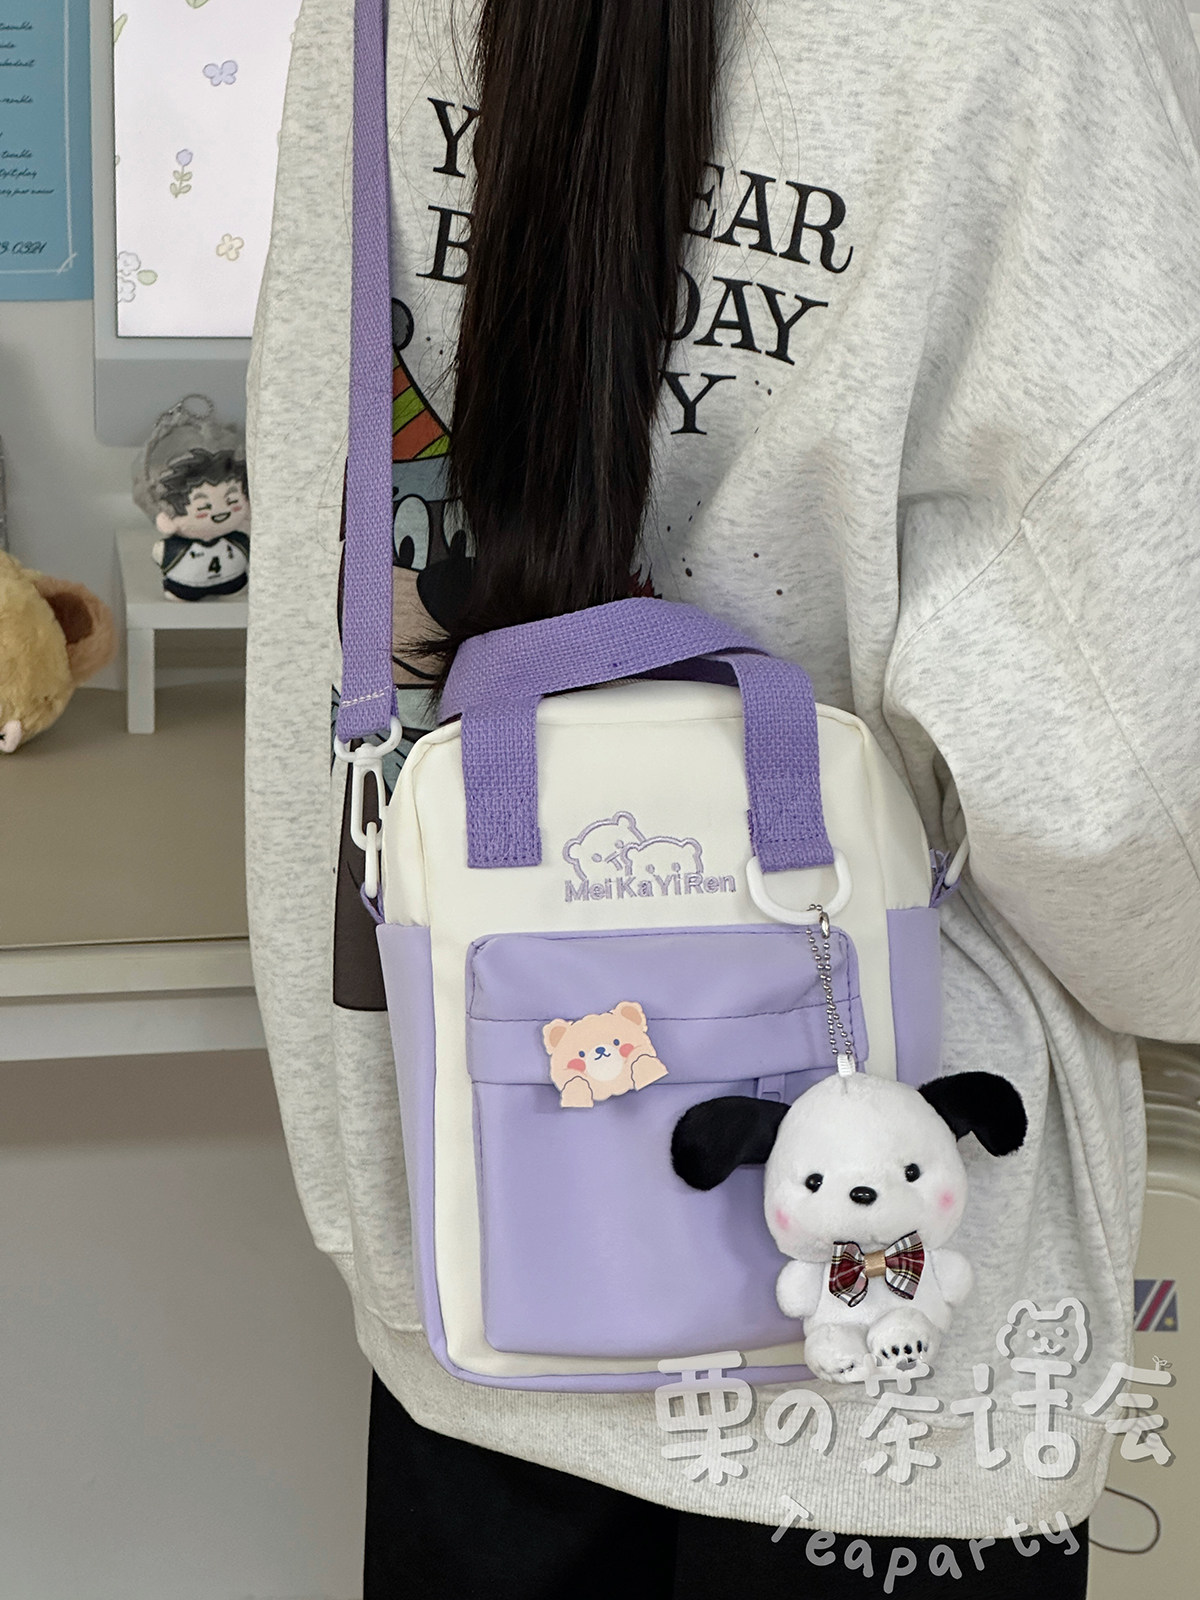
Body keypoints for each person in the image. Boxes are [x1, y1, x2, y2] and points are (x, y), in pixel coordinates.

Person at [246, 0, 1200, 1593]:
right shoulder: (1036, 37)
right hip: (897, 1337)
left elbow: (330, 553)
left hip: (485, 1235)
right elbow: (1131, 800)